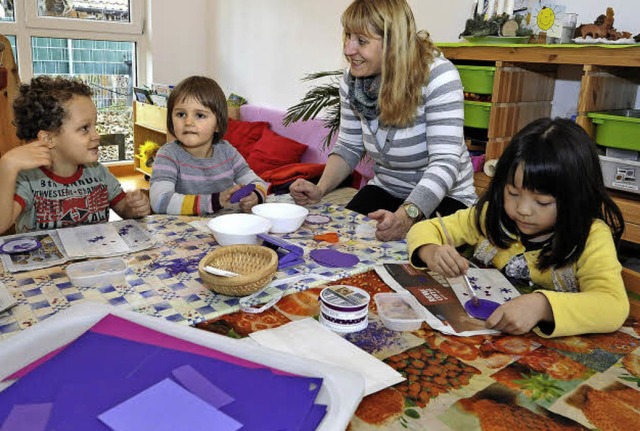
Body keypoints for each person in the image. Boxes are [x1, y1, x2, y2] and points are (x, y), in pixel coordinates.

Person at [407, 117, 628, 338]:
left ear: (576, 198)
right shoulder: (492, 216)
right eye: (513, 193)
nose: (522, 209)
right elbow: (426, 228)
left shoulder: (592, 236)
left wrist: (542, 306)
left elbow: (613, 305)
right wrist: (430, 250)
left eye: (542, 202)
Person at [290, 0, 476, 241]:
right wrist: (320, 188)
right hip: (387, 189)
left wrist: (407, 216)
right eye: (348, 36)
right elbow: (349, 146)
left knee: (420, 254)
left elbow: (445, 162)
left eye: (362, 41)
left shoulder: (438, 76)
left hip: (446, 197)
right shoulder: (352, 80)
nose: (348, 49)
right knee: (341, 240)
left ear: (393, 43)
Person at [0, 76, 150, 235]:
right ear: (48, 138)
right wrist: (7, 166)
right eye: (85, 128)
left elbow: (125, 210)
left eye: (95, 125)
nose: (96, 135)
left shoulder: (98, 172)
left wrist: (134, 207)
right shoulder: (27, 179)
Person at [149, 76, 267, 215]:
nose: (188, 122)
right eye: (181, 114)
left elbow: (258, 182)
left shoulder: (227, 152)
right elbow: (160, 201)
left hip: (224, 229)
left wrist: (255, 196)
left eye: (199, 115)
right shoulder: (168, 155)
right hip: (185, 232)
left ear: (217, 124)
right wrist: (214, 202)